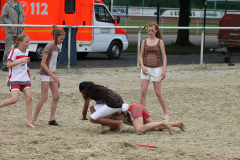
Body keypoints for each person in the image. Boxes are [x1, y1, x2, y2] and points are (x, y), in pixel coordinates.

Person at [32, 25, 65, 126]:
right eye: (61, 39)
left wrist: (56, 77)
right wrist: (52, 75)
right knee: (44, 96)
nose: (62, 41)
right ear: (55, 37)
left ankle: (52, 120)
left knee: (56, 96)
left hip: (52, 74)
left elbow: (53, 65)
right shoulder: (48, 46)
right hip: (45, 74)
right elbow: (43, 64)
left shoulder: (57, 48)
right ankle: (34, 119)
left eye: (63, 39)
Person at [0, 33, 35, 128]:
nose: (28, 43)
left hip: (25, 79)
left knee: (29, 98)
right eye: (26, 42)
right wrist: (21, 61)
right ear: (20, 42)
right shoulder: (14, 51)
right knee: (14, 100)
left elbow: (23, 64)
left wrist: (27, 68)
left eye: (29, 42)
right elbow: (8, 65)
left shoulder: (26, 51)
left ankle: (29, 122)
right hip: (14, 79)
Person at [139, 22, 169, 120]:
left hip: (157, 69)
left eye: (152, 30)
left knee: (158, 92)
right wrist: (142, 66)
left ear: (156, 30)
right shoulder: (144, 42)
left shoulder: (160, 42)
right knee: (143, 92)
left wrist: (164, 70)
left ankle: (165, 113)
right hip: (146, 68)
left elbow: (164, 56)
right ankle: (141, 114)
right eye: (149, 31)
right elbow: (140, 56)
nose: (150, 32)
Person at [91, 103, 186, 134]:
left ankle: (164, 122)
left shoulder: (108, 111)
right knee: (154, 127)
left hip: (133, 110)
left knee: (140, 130)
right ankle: (177, 124)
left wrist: (108, 118)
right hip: (138, 107)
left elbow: (118, 112)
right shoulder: (107, 107)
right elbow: (114, 126)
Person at [1, 0, 25, 71]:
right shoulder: (7, 5)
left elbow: (23, 17)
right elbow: (3, 17)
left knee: (18, 49)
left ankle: (16, 64)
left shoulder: (20, 6)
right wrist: (11, 25)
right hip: (10, 31)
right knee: (8, 48)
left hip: (19, 31)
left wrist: (22, 25)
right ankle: (5, 65)